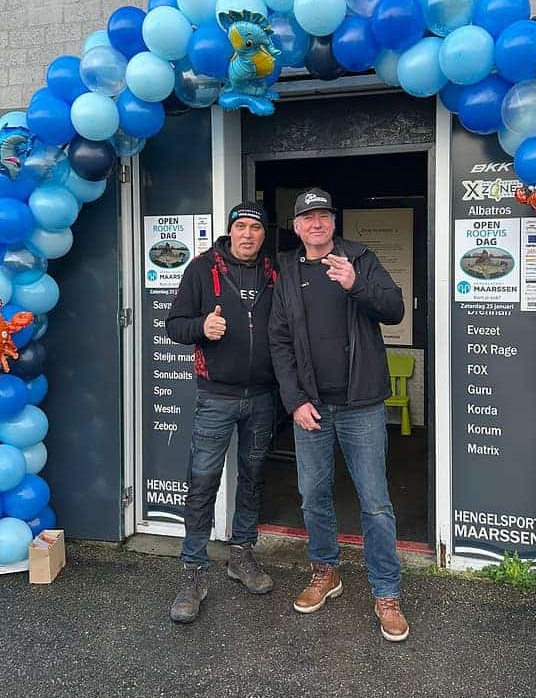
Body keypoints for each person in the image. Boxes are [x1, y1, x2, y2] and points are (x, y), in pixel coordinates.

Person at [268, 188, 410, 642]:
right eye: (307, 217)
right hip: (310, 404)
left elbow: (393, 309)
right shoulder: (287, 270)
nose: (316, 223)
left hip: (361, 403)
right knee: (313, 494)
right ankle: (325, 571)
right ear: (296, 226)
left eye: (323, 215)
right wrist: (294, 400)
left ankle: (386, 593)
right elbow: (279, 340)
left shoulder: (360, 259)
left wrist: (356, 284)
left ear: (334, 221)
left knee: (375, 502)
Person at [165, 201, 278, 623]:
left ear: (264, 234)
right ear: (230, 232)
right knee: (203, 481)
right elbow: (174, 324)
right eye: (240, 227)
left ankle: (241, 553)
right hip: (216, 396)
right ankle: (193, 571)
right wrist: (201, 328)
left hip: (264, 396)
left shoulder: (273, 273)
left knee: (253, 476)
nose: (247, 234)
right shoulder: (200, 269)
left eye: (255, 227)